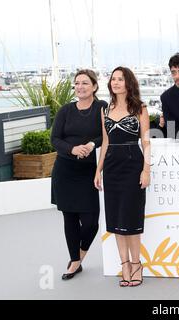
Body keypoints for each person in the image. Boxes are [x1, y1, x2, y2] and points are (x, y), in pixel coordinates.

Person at [94, 66, 150, 287]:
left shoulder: (140, 108)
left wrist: (146, 170)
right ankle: (124, 265)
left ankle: (137, 265)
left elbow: (146, 142)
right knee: (117, 220)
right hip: (112, 167)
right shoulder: (105, 109)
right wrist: (98, 170)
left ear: (129, 83)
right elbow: (106, 142)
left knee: (131, 218)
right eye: (113, 79)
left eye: (120, 79)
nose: (116, 82)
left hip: (132, 163)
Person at [51, 69, 108, 280]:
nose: (80, 86)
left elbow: (107, 134)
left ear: (94, 86)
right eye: (77, 83)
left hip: (89, 171)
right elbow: (55, 139)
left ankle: (80, 254)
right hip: (65, 170)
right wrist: (72, 149)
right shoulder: (65, 110)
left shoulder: (102, 107)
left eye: (85, 83)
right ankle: (75, 261)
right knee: (70, 218)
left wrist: (92, 144)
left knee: (91, 220)